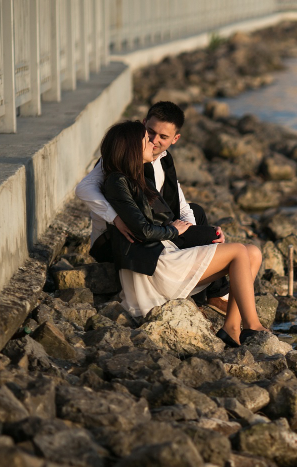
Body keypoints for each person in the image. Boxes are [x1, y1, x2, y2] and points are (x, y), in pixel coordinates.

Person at [95, 120, 265, 347]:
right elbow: (143, 230)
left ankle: (232, 328)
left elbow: (170, 220)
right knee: (238, 252)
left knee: (252, 252)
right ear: (131, 148)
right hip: (153, 269)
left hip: (163, 255)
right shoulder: (117, 180)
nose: (152, 143)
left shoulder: (138, 177)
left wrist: (202, 233)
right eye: (147, 140)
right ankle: (253, 327)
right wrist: (173, 229)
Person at [75, 101, 229, 313]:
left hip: (149, 226)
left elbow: (181, 204)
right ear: (144, 125)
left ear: (175, 139)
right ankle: (210, 289)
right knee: (209, 236)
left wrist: (196, 236)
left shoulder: (163, 161)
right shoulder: (122, 156)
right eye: (150, 133)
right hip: (117, 238)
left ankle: (212, 292)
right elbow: (83, 188)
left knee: (197, 213)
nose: (155, 141)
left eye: (163, 137)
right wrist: (115, 219)